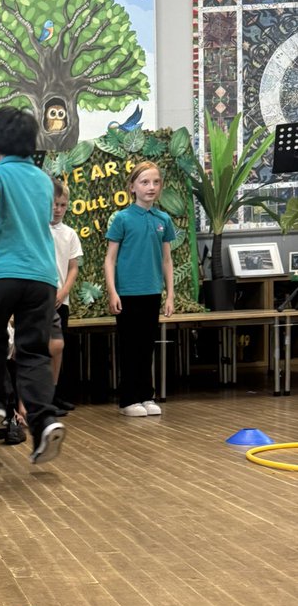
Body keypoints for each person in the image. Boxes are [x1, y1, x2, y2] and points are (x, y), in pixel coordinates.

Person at [0, 106, 65, 465]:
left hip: (3, 273)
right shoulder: (42, 180)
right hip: (42, 276)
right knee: (34, 352)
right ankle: (45, 421)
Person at [104, 160, 175, 417]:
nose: (151, 187)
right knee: (129, 346)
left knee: (147, 346)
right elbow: (110, 259)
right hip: (127, 293)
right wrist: (113, 291)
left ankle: (146, 395)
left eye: (156, 182)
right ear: (132, 187)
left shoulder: (163, 220)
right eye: (145, 182)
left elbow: (167, 260)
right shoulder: (122, 219)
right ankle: (128, 400)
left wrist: (170, 294)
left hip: (152, 292)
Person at [50, 178, 83, 415]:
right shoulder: (36, 230)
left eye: (62, 205)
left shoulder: (70, 234)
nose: (58, 209)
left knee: (58, 348)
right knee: (41, 347)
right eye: (54, 204)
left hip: (61, 300)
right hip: (39, 299)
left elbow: (73, 268)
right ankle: (40, 395)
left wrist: (63, 292)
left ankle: (54, 393)